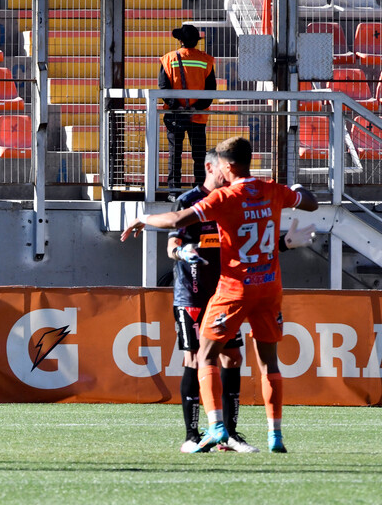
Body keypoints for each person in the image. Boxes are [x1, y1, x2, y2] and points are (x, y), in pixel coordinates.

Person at [122, 136, 318, 453]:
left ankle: (218, 429)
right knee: (267, 362)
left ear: (226, 166)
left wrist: (143, 218)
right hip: (263, 289)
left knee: (209, 356)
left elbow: (175, 221)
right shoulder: (270, 189)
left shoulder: (225, 197)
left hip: (232, 290)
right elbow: (310, 202)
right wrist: (295, 191)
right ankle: (274, 436)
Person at [158, 24, 217, 192]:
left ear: (180, 40)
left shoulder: (168, 59)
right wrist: (195, 108)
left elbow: (163, 87)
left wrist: (177, 106)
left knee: (174, 154)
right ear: (196, 41)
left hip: (174, 114)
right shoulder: (206, 60)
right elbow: (211, 90)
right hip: (198, 115)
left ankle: (173, 190)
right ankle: (200, 189)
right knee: (199, 155)